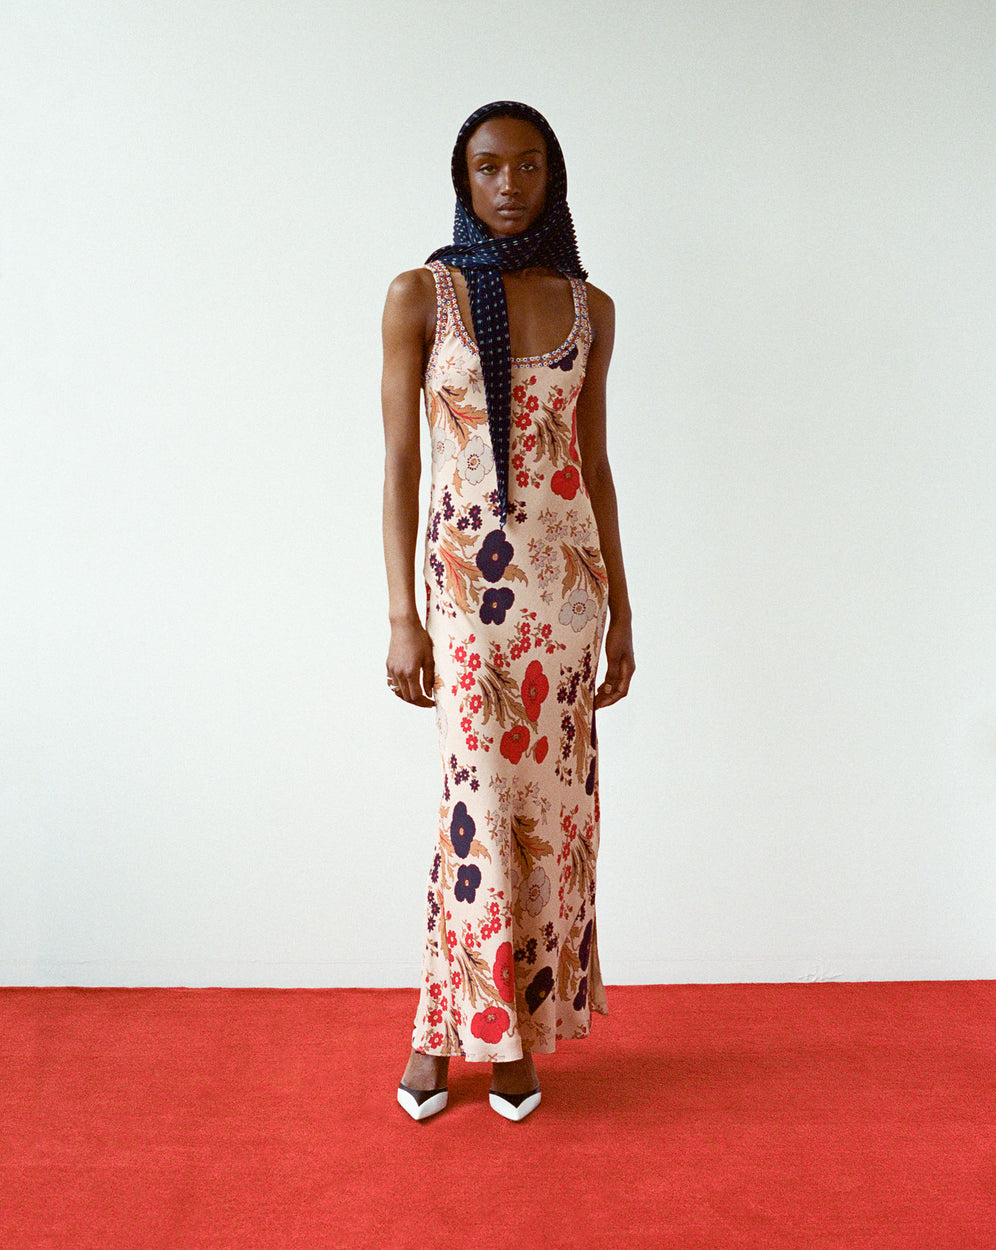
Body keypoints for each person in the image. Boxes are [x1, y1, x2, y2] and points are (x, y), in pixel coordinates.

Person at [381, 101, 634, 1122]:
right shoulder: (420, 296)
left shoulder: (590, 308)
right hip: (465, 597)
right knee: (472, 810)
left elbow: (595, 465)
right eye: (488, 166)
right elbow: (402, 461)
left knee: (545, 822)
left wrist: (623, 610)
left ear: (553, 178)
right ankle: (472, 1036)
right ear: (462, 176)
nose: (507, 184)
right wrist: (401, 614)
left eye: (527, 166)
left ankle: (480, 1035)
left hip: (564, 601)